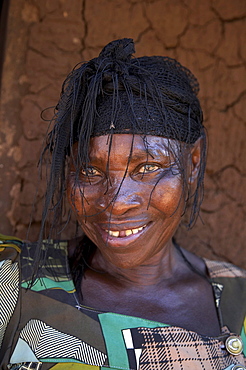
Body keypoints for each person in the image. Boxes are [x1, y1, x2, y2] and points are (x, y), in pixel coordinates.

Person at [0, 38, 245, 370]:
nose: (115, 203)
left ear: (194, 162)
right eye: (90, 170)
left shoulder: (239, 299)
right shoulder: (11, 280)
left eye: (147, 168)